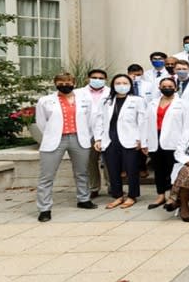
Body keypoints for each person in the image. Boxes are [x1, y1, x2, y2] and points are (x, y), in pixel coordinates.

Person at [33, 73, 98, 222]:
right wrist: (52, 133)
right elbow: (41, 122)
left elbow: (89, 120)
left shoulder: (84, 100)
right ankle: (44, 208)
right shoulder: (45, 101)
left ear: (74, 83)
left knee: (82, 172)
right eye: (61, 82)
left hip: (78, 138)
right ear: (55, 83)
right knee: (47, 176)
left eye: (68, 82)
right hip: (55, 139)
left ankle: (83, 199)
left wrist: (85, 135)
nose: (64, 84)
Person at [94, 74, 148, 210]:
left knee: (131, 169)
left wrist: (142, 140)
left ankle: (132, 196)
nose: (121, 86)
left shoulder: (137, 100)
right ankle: (117, 195)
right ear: (113, 85)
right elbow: (99, 120)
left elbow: (143, 122)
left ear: (130, 85)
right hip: (110, 139)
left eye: (125, 83)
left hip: (131, 139)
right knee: (113, 170)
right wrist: (98, 139)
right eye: (118, 83)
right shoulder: (106, 101)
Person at [144, 77, 189, 210]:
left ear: (176, 88)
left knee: (173, 170)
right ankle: (160, 195)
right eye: (164, 86)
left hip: (175, 141)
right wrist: (144, 142)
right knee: (158, 169)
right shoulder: (153, 103)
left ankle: (173, 196)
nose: (167, 88)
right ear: (159, 88)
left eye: (170, 86)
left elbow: (188, 126)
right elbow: (145, 123)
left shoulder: (182, 104)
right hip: (155, 139)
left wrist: (185, 144)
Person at [79, 68, 109, 198]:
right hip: (87, 132)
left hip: (107, 132)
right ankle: (94, 187)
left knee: (109, 162)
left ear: (105, 80)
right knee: (90, 162)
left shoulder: (111, 92)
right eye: (95, 78)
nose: (98, 80)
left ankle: (112, 187)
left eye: (101, 78)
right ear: (88, 79)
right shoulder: (78, 93)